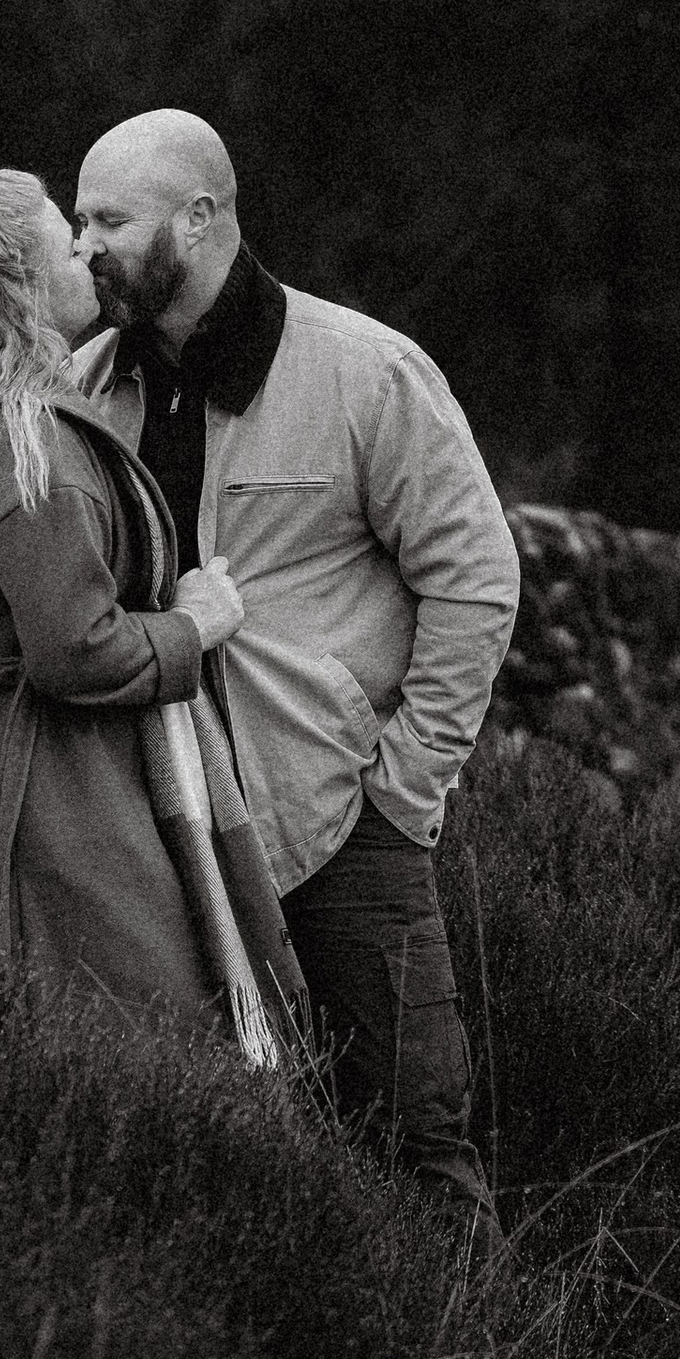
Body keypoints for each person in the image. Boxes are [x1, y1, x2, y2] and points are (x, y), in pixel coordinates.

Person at [71, 108, 520, 1227]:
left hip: (341, 828)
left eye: (109, 220)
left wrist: (405, 790)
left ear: (202, 215)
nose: (85, 247)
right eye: (78, 221)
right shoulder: (82, 388)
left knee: (415, 1138)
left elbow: (476, 581)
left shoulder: (364, 371)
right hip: (156, 838)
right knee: (207, 1161)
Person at [0, 166, 249, 1031]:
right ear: (25, 288)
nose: (90, 256)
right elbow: (72, 650)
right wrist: (194, 625)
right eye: (68, 248)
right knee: (134, 1050)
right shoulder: (29, 444)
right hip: (40, 807)